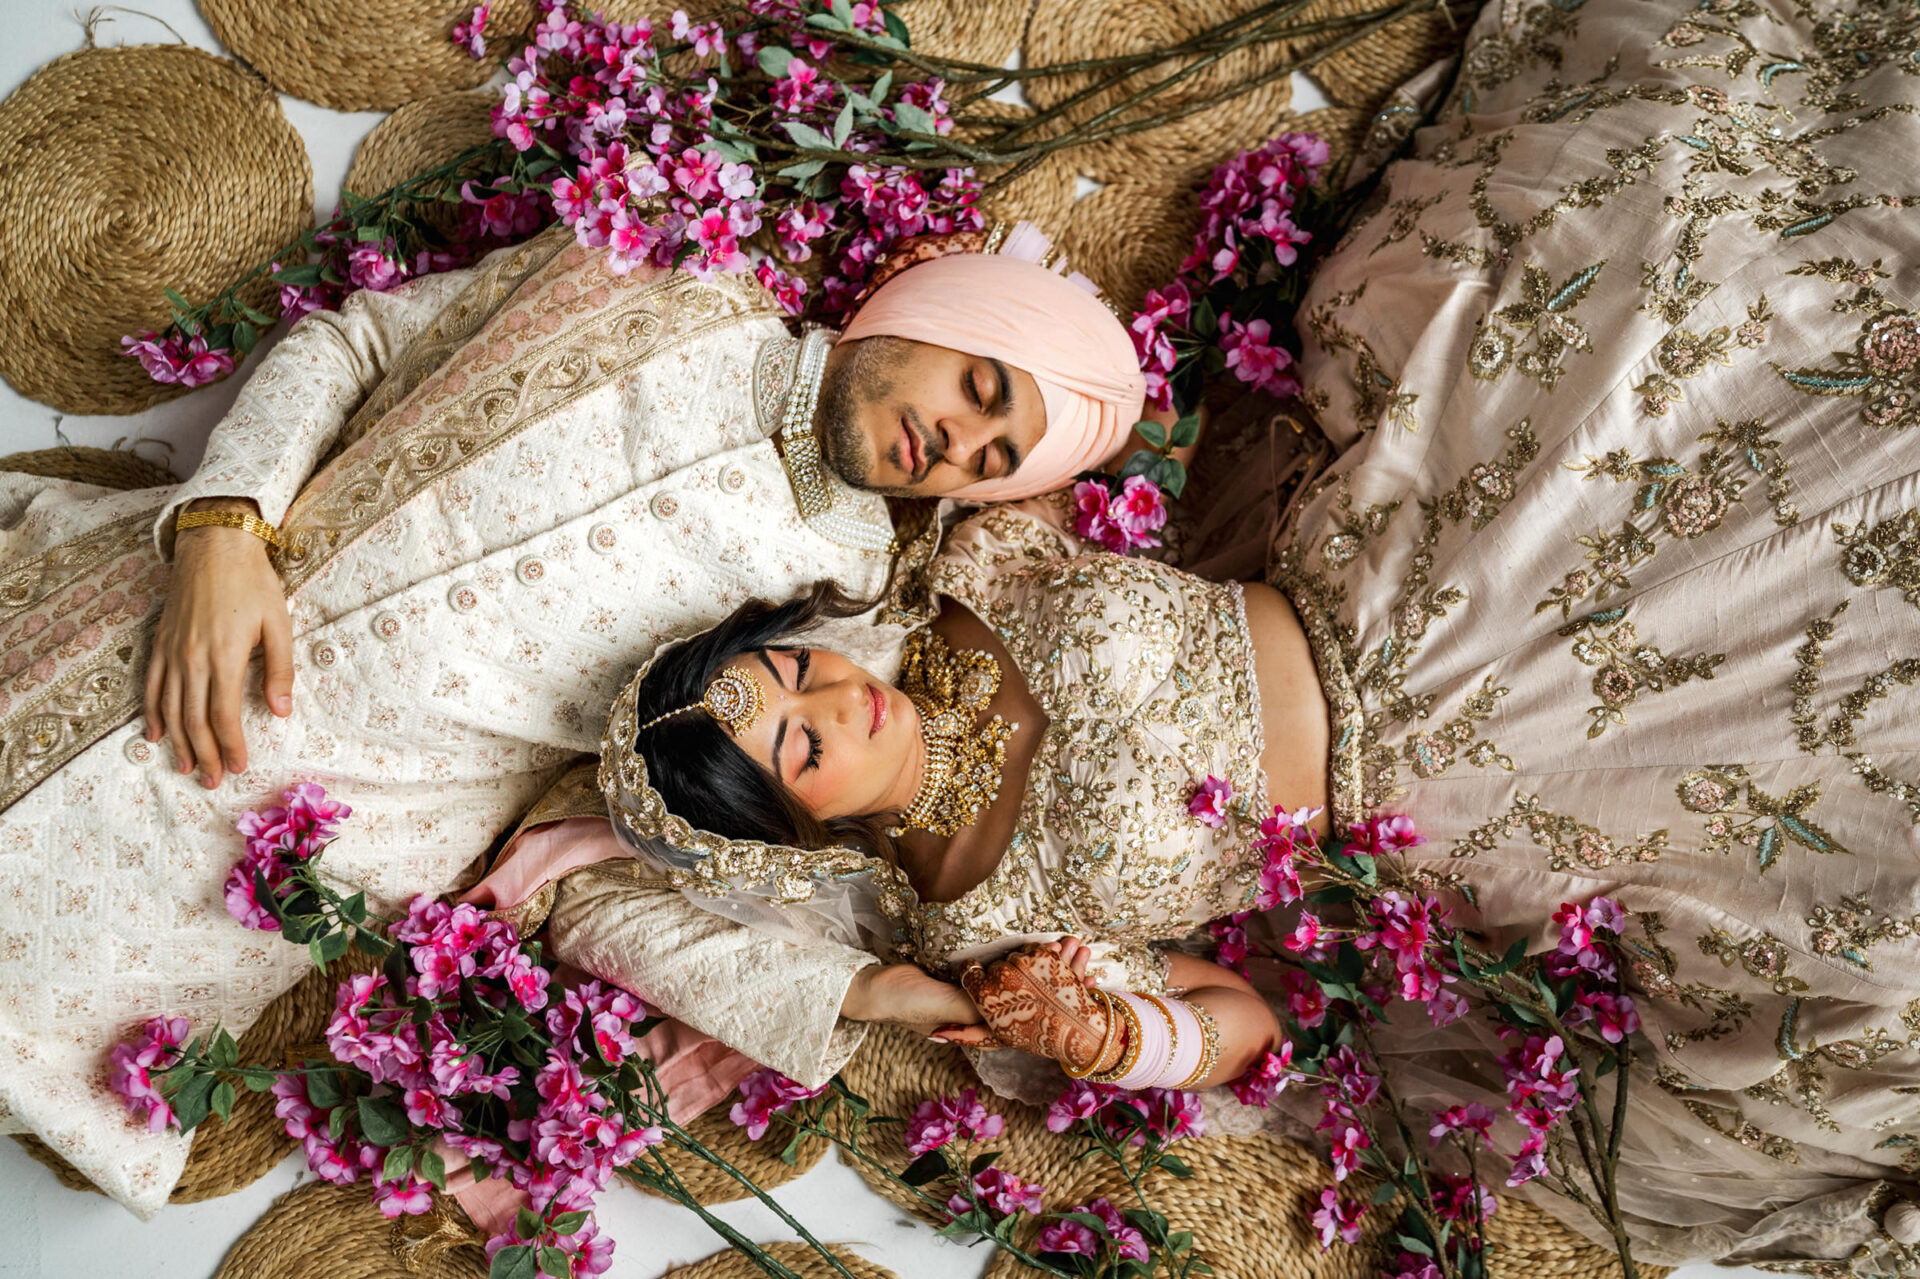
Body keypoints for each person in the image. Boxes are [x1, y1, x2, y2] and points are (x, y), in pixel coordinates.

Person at [530, 0, 1920, 1266]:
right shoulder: (983, 919)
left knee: (1699, 327)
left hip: (1385, 566)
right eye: (794, 743)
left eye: (792, 669)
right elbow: (1244, 1016)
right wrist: (1122, 1037)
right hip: (1460, 794)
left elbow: (1048, 410)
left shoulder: (965, 580)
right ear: (805, 827)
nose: (832, 698)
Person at [0, 219, 1150, 1214]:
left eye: (994, 459)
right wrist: (224, 525)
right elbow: (361, 337)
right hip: (116, 608)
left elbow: (713, 846)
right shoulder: (649, 275)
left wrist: (857, 991)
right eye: (979, 390)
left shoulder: (846, 610)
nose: (957, 442)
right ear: (937, 306)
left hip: (225, 850)